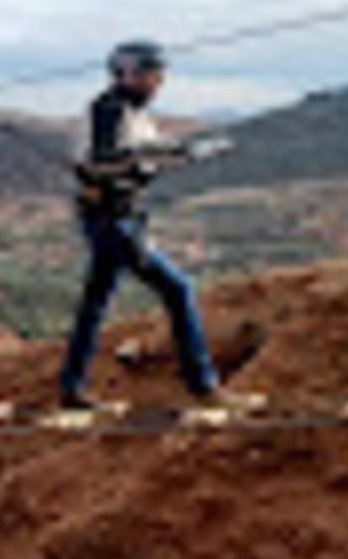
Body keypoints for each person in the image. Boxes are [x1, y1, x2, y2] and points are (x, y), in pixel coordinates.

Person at [59, 40, 253, 412]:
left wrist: (181, 153)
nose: (158, 82)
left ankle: (72, 387)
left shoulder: (132, 112)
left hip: (117, 215)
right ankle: (203, 385)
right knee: (178, 290)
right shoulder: (109, 110)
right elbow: (102, 164)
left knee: (95, 304)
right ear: (128, 73)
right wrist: (151, 160)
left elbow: (140, 154)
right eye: (151, 74)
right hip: (113, 219)